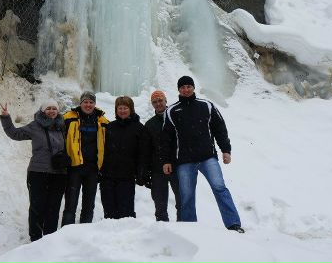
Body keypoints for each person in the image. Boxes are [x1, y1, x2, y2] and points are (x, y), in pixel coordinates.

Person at [161, 76, 245, 233]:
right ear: (178, 90)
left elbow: (219, 129)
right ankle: (191, 229)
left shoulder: (206, 105)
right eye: (182, 87)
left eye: (188, 86)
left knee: (220, 188)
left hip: (207, 158)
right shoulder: (171, 111)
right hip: (184, 161)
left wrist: (226, 150)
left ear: (193, 88)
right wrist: (166, 160)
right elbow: (166, 139)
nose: (186, 89)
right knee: (186, 196)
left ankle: (233, 224)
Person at [0, 99, 67, 242]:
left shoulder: (62, 126)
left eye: (54, 108)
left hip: (58, 173)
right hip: (38, 172)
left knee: (53, 207)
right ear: (43, 111)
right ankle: (35, 238)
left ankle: (50, 238)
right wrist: (6, 117)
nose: (51, 111)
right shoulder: (35, 126)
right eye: (48, 108)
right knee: (37, 206)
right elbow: (15, 134)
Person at [61, 91, 108, 225]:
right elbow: (58, 138)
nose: (88, 105)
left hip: (92, 169)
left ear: (95, 104)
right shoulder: (68, 118)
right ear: (80, 103)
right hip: (74, 167)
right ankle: (66, 234)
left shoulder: (102, 121)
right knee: (70, 204)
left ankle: (85, 234)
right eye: (85, 102)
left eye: (91, 102)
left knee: (89, 204)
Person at [99, 95, 147, 219]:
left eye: (125, 108)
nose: (122, 111)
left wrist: (140, 173)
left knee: (126, 214)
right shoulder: (110, 127)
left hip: (127, 177)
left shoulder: (139, 128)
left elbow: (142, 153)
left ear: (131, 109)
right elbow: (102, 150)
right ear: (116, 110)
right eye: (120, 108)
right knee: (109, 213)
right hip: (108, 176)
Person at [142, 90, 180, 221]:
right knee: (160, 205)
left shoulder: (176, 117)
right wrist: (146, 172)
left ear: (165, 101)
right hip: (157, 170)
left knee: (182, 202)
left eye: (160, 100)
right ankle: (163, 232)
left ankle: (185, 231)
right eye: (155, 102)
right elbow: (146, 150)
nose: (158, 104)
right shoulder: (150, 124)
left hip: (177, 167)